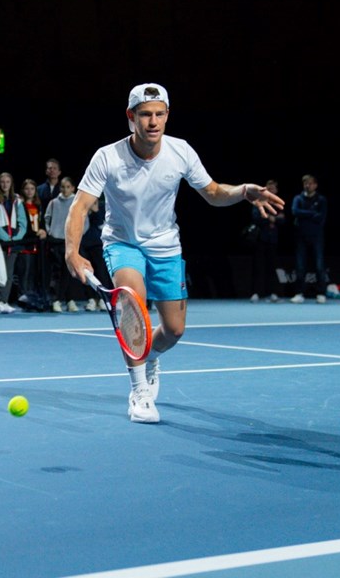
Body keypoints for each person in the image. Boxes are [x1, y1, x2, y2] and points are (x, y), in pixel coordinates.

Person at [64, 82, 284, 424]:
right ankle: (139, 392)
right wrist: (71, 252)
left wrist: (243, 192)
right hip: (123, 244)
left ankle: (149, 356)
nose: (153, 122)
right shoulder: (107, 157)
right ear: (131, 117)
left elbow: (212, 192)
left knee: (175, 330)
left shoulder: (180, 152)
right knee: (132, 304)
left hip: (166, 245)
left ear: (167, 116)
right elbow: (79, 208)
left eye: (159, 114)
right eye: (145, 115)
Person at [45, 176, 88, 312]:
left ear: (73, 188)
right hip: (56, 242)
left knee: (71, 273)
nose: (65, 189)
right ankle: (56, 300)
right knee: (57, 273)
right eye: (62, 187)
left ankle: (70, 300)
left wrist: (75, 237)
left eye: (68, 187)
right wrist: (51, 232)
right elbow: (47, 219)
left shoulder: (77, 202)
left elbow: (84, 222)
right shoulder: (53, 203)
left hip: (72, 243)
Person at [0, 171, 27, 312]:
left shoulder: (17, 200)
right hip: (1, 240)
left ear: (11, 184)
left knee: (9, 273)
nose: (5, 184)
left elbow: (23, 222)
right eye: (2, 182)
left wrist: (16, 238)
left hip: (14, 241)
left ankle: (3, 301)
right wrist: (4, 237)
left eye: (7, 182)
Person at [290, 174, 328, 304]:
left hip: (317, 236)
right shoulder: (298, 198)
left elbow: (321, 217)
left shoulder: (321, 200)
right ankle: (299, 293)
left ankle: (321, 293)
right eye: (306, 183)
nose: (308, 185)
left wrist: (304, 214)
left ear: (315, 185)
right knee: (300, 266)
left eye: (311, 183)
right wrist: (312, 213)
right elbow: (295, 211)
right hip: (301, 236)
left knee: (319, 265)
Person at [248, 178, 285, 303]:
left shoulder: (278, 203)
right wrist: (271, 218)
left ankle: (273, 293)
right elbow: (256, 217)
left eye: (272, 189)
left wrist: (272, 218)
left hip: (273, 240)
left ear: (276, 190)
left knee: (272, 267)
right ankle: (256, 293)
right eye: (268, 189)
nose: (270, 190)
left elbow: (283, 220)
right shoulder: (258, 201)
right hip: (260, 239)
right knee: (258, 267)